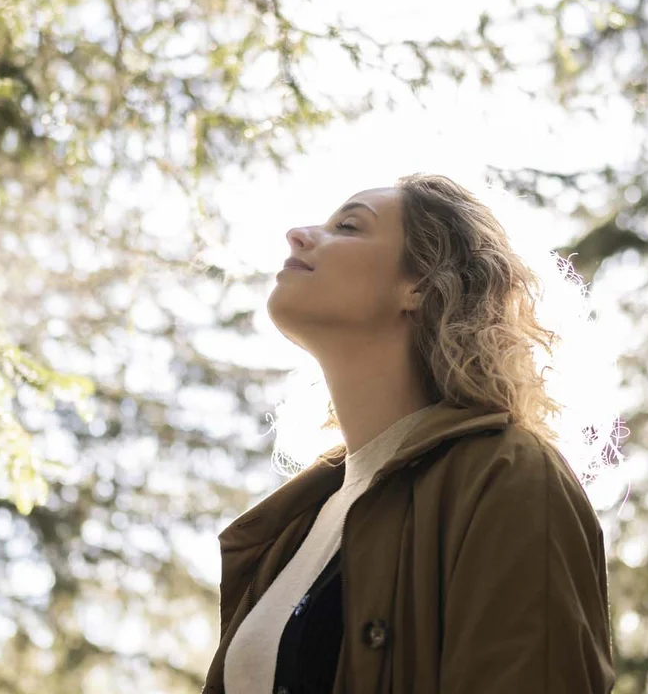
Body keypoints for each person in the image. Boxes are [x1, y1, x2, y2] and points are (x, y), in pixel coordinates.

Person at [201, 173, 616, 694]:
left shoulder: (509, 476)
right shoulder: (293, 527)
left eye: (348, 226)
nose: (298, 234)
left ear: (420, 285)